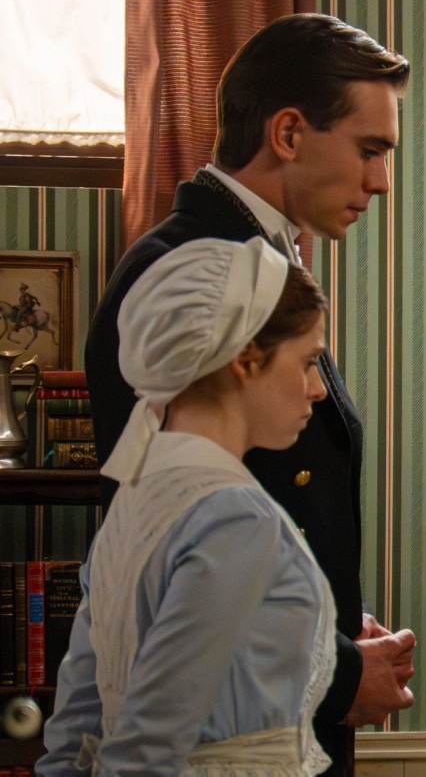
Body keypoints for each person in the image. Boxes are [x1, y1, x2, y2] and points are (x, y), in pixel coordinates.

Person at [82, 13, 415, 775]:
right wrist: (338, 675)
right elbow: (174, 543)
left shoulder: (255, 260)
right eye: (369, 150)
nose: (381, 181)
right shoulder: (191, 271)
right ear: (289, 132)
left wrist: (331, 618)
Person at [40, 237, 336, 774]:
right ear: (245, 357)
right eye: (308, 361)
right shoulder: (235, 519)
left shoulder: (134, 505)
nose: (317, 389)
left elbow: (74, 735)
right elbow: (146, 746)